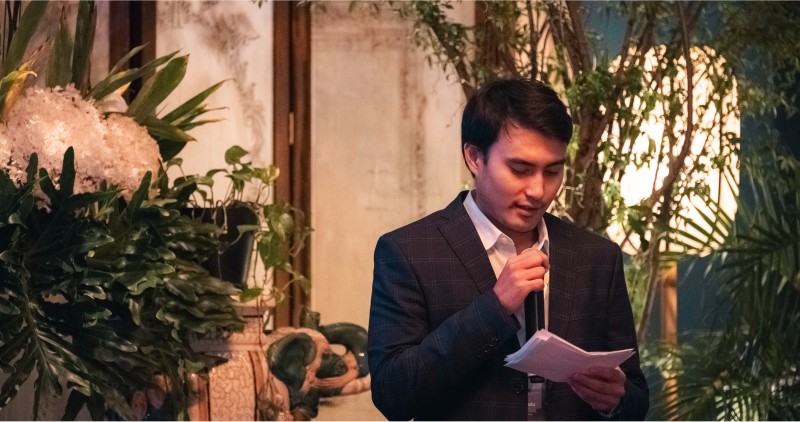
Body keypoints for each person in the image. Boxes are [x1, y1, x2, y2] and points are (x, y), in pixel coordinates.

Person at [367, 77, 649, 420]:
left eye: (553, 171)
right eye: (520, 169)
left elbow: (635, 398)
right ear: (475, 157)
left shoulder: (597, 257)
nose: (538, 191)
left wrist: (616, 400)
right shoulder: (409, 252)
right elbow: (392, 394)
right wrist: (495, 307)